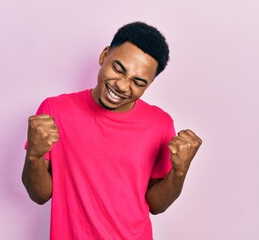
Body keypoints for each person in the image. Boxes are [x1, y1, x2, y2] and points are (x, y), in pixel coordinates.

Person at [22, 21, 202, 240]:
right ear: (104, 55)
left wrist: (179, 172)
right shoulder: (55, 111)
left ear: (150, 84)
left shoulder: (160, 124)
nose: (122, 86)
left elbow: (156, 205)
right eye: (118, 68)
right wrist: (34, 154)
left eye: (138, 81)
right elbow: (39, 195)